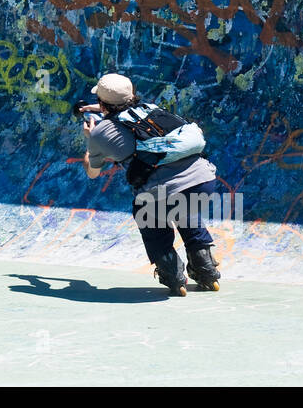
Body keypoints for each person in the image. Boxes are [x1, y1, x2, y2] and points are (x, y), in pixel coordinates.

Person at [79, 73, 222, 296]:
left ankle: (173, 275)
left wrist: (90, 142)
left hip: (160, 196)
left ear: (102, 103)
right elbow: (129, 121)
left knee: (150, 213)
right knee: (183, 205)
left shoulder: (99, 134)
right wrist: (105, 109)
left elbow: (93, 172)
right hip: (204, 181)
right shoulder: (151, 109)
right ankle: (205, 268)